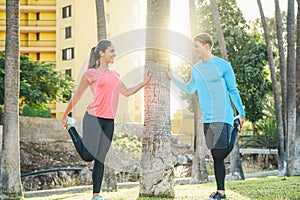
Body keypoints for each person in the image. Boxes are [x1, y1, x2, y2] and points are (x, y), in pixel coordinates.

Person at [62, 39, 151, 200]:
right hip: (93, 117)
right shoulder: (90, 73)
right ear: (101, 53)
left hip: (109, 121)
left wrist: (144, 83)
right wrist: (65, 114)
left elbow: (127, 92)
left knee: (100, 158)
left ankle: (96, 195)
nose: (114, 54)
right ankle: (71, 128)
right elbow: (77, 95)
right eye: (111, 51)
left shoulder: (115, 74)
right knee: (88, 156)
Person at [167, 33, 245, 200]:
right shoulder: (196, 69)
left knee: (220, 153)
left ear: (207, 46)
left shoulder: (223, 66)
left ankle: (236, 126)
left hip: (223, 116)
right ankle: (221, 192)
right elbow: (189, 89)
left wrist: (242, 112)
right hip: (207, 118)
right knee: (216, 154)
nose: (194, 49)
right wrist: (173, 78)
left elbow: (233, 90)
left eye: (196, 46)